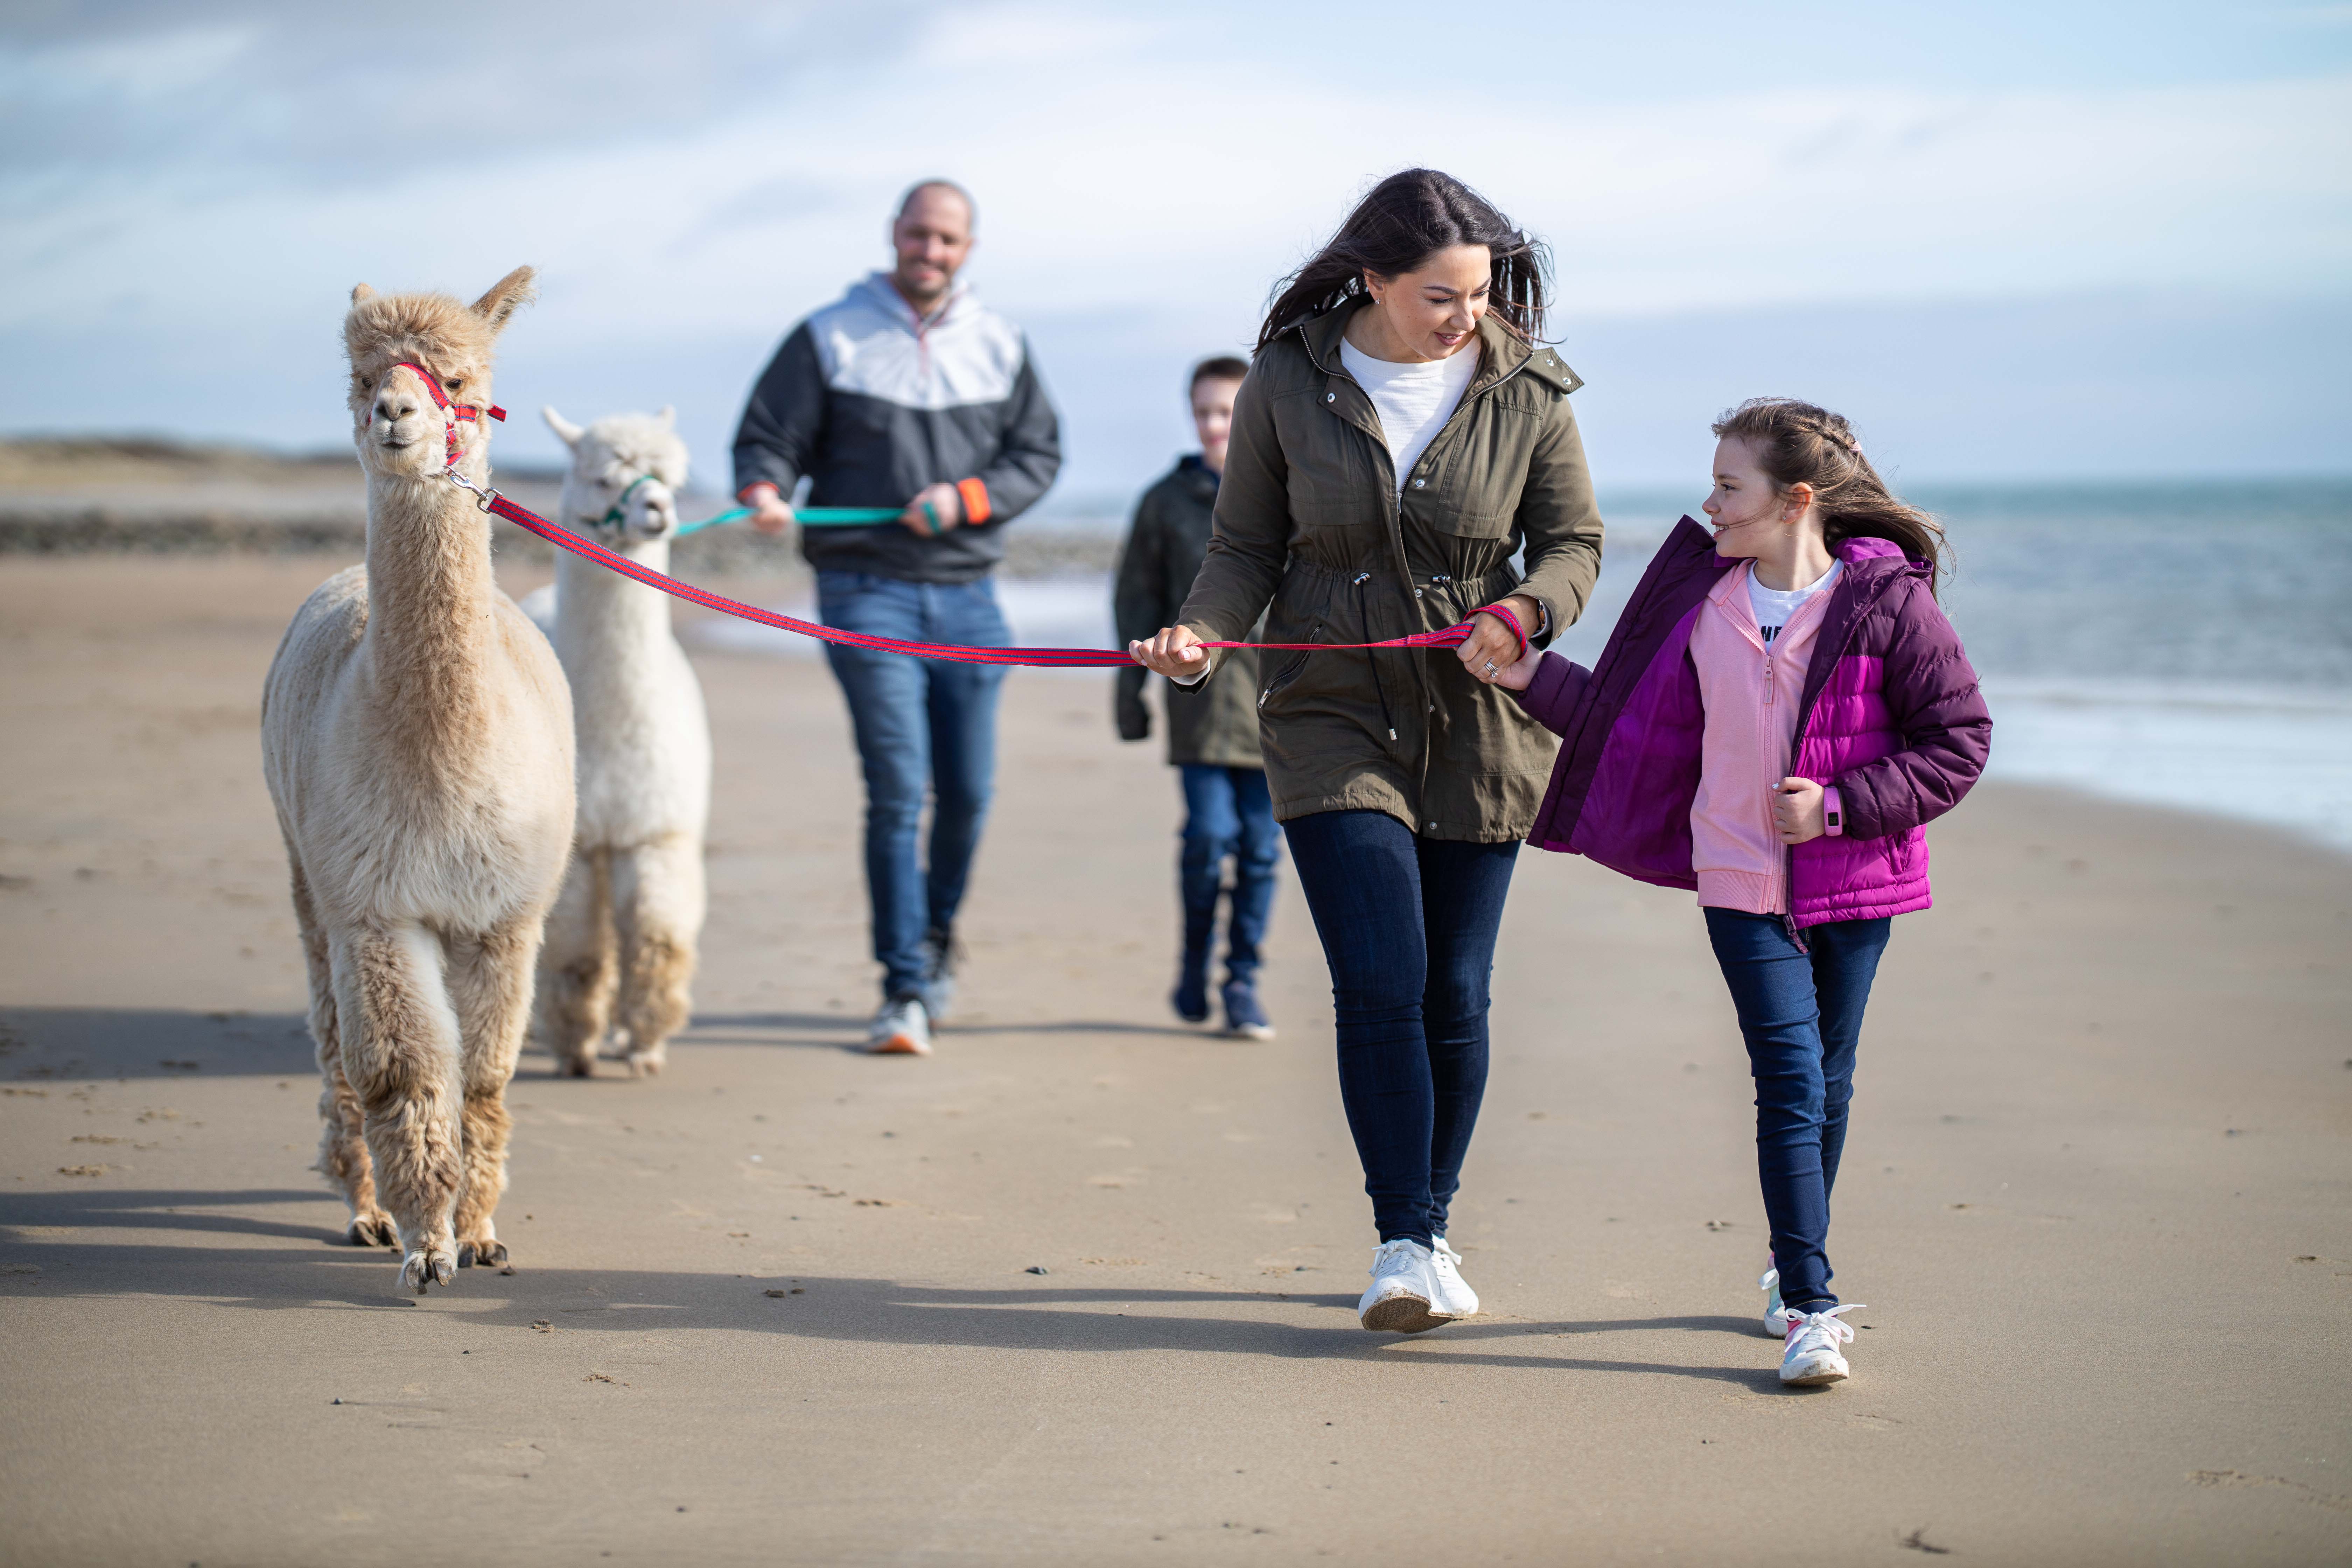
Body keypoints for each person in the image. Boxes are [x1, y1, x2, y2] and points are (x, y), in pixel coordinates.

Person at [1130, 169, 1604, 1334]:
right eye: (1442, 295)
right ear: (1376, 280)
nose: (1467, 318)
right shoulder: (1289, 378)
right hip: (1328, 707)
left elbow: (1576, 545)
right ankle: (1405, 1240)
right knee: (1381, 980)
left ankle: (1433, 1220)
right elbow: (1246, 544)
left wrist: (1528, 612)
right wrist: (1200, 636)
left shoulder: (1531, 387)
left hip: (1480, 717)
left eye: (1481, 294)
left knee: (1455, 990)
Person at [1496, 398, 1992, 1385]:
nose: (1710, 505)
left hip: (1853, 881)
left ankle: (1782, 1261)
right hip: (1735, 878)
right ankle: (1812, 1305)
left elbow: (1960, 742)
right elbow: (1620, 721)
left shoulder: (1889, 604)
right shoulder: (1699, 600)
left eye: (1730, 487)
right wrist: (1526, 673)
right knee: (1792, 1081)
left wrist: (1843, 807)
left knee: (1830, 1079)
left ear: (1795, 500)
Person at [733, 180, 1061, 1056]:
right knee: (897, 787)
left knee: (969, 792)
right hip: (864, 589)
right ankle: (904, 988)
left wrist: (967, 499)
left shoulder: (1002, 342)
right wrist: (764, 490)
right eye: (919, 235)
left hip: (970, 595)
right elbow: (766, 437)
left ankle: (936, 938)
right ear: (895, 236)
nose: (932, 251)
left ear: (968, 248)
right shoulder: (829, 334)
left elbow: (1039, 455)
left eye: (949, 240)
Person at [1113, 357, 1279, 1040]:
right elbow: (1134, 600)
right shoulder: (1164, 500)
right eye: (1205, 411)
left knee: (1263, 849)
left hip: (1283, 709)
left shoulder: (1289, 488)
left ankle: (1242, 979)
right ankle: (1192, 962)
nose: (1216, 424)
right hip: (1199, 701)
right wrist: (1131, 694)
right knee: (1210, 837)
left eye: (1229, 411)